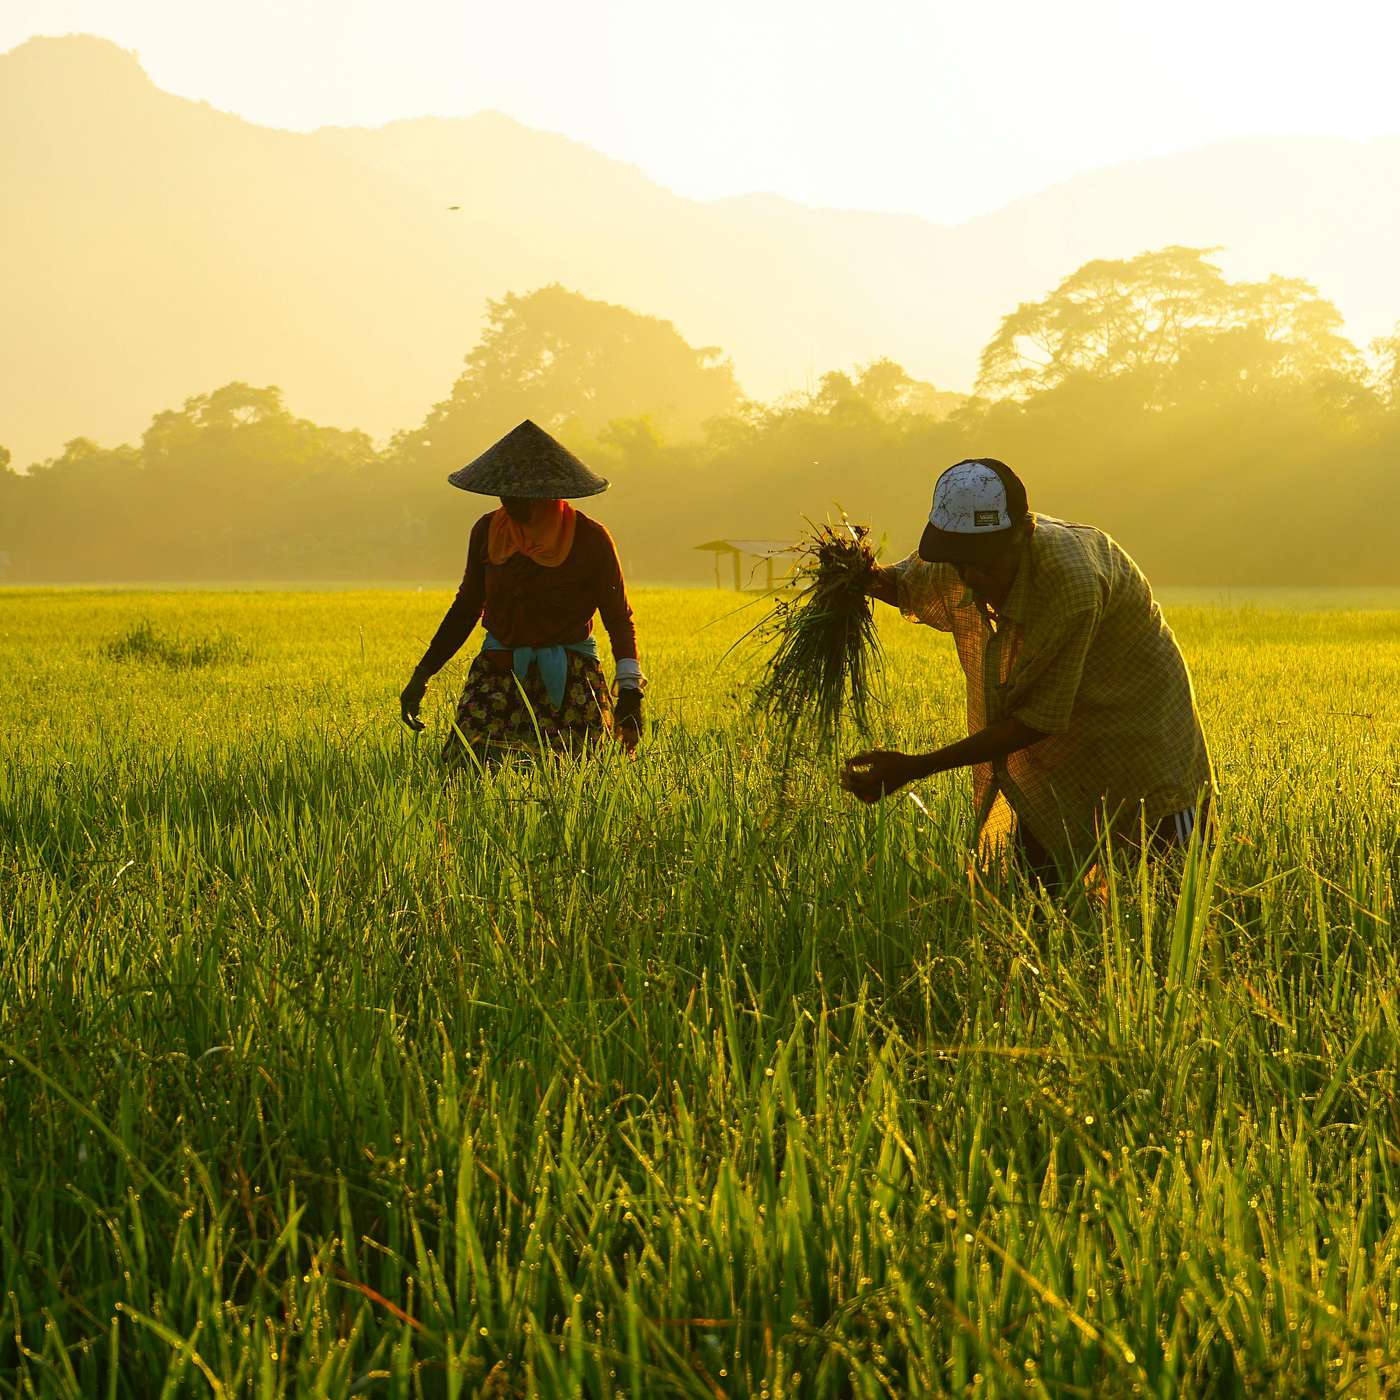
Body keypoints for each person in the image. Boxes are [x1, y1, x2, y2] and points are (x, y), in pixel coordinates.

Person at [840, 458, 1212, 884]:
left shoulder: (1072, 582)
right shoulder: (965, 555)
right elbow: (905, 583)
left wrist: (914, 767)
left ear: (1023, 533)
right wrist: (853, 577)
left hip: (1140, 738)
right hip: (1063, 755)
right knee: (1036, 888)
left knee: (1169, 891)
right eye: (963, 565)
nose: (973, 577)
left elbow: (1037, 721)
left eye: (986, 564)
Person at [398, 419, 644, 762]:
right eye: (504, 492)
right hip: (497, 674)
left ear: (548, 495)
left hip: (569, 681)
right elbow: (467, 607)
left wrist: (630, 690)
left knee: (571, 780)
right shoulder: (488, 531)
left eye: (522, 496)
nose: (509, 503)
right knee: (464, 769)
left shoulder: (590, 538)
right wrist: (423, 674)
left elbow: (618, 617)